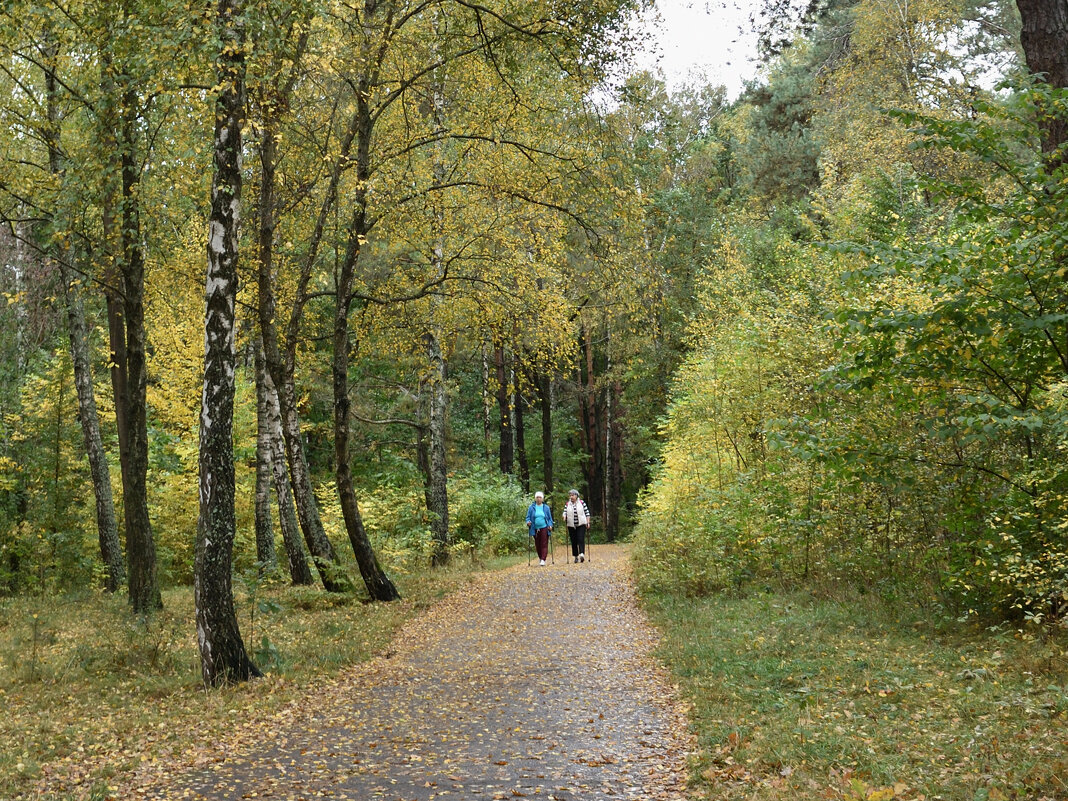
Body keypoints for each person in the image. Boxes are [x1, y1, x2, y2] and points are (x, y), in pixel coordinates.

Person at [525, 491, 553, 565]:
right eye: (537, 497)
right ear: (535, 498)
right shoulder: (531, 507)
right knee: (537, 544)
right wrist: (528, 522)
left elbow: (550, 519)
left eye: (540, 497)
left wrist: (550, 525)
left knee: (544, 543)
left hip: (544, 527)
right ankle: (541, 557)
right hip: (535, 528)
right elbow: (527, 517)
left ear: (542, 499)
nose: (538, 499)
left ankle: (543, 559)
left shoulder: (546, 507)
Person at [563, 488, 590, 563]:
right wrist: (564, 516)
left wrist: (588, 523)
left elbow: (587, 513)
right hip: (571, 525)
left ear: (576, 496)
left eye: (572, 495)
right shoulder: (567, 504)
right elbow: (564, 512)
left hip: (581, 524)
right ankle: (575, 556)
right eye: (570, 495)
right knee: (574, 541)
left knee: (580, 539)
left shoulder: (582, 503)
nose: (571, 497)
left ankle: (581, 554)